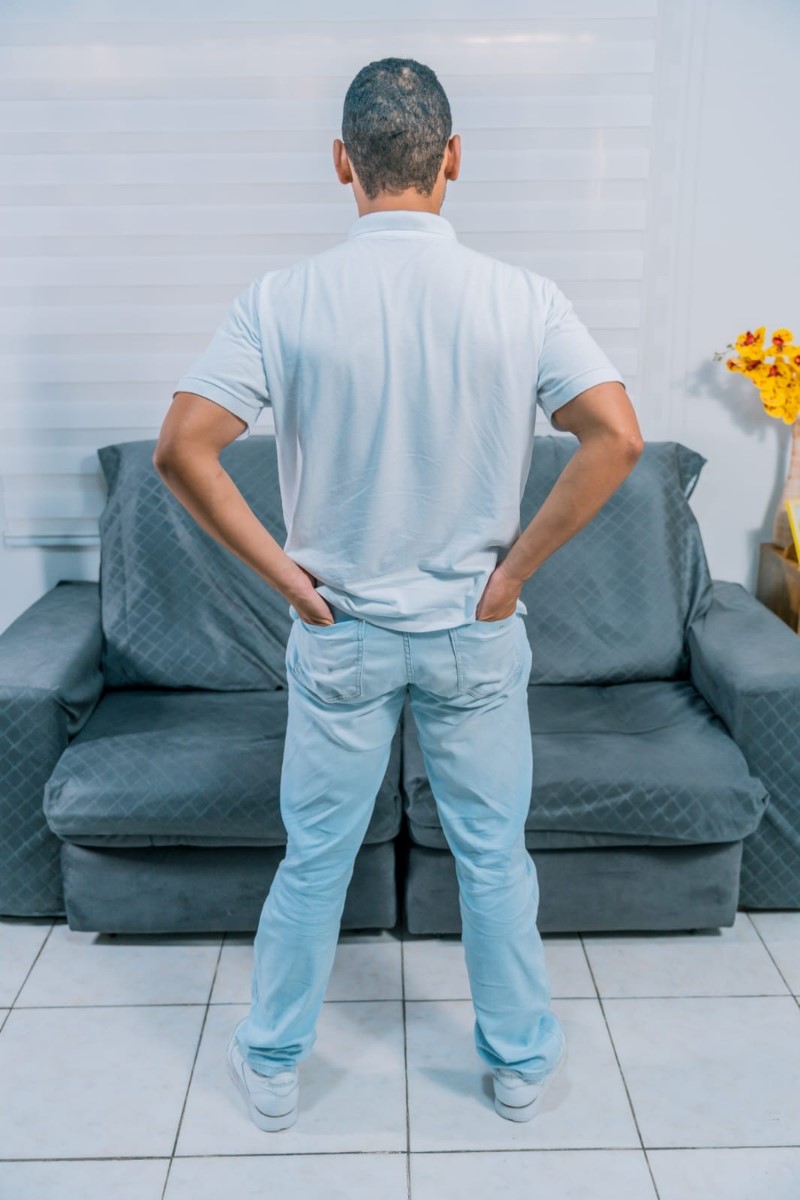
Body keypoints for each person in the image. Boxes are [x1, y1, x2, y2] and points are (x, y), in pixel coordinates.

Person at [153, 56, 644, 1132]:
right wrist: (512, 574)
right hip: (474, 632)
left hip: (340, 632)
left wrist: (287, 577)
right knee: (492, 859)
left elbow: (181, 448)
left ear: (344, 162)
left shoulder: (280, 300)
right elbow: (614, 435)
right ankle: (519, 1065)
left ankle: (271, 1064)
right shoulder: (523, 297)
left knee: (314, 861)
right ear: (452, 158)